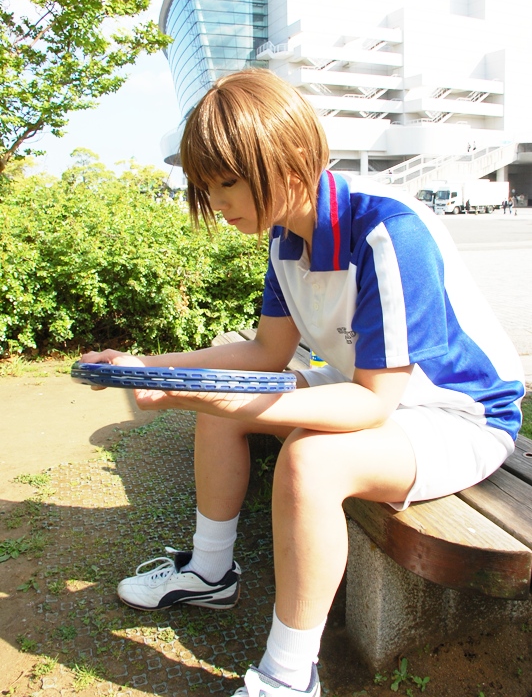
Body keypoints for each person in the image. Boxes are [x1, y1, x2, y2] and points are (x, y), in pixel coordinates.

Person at [80, 69, 525, 697]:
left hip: (459, 414)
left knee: (309, 461)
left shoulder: (388, 229)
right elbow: (267, 350)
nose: (217, 203)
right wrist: (150, 366)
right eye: (207, 186)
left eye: (227, 182)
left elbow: (373, 403)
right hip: (371, 391)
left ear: (285, 160)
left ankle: (289, 678)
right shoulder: (287, 237)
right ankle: (210, 573)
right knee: (224, 398)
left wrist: (218, 396)